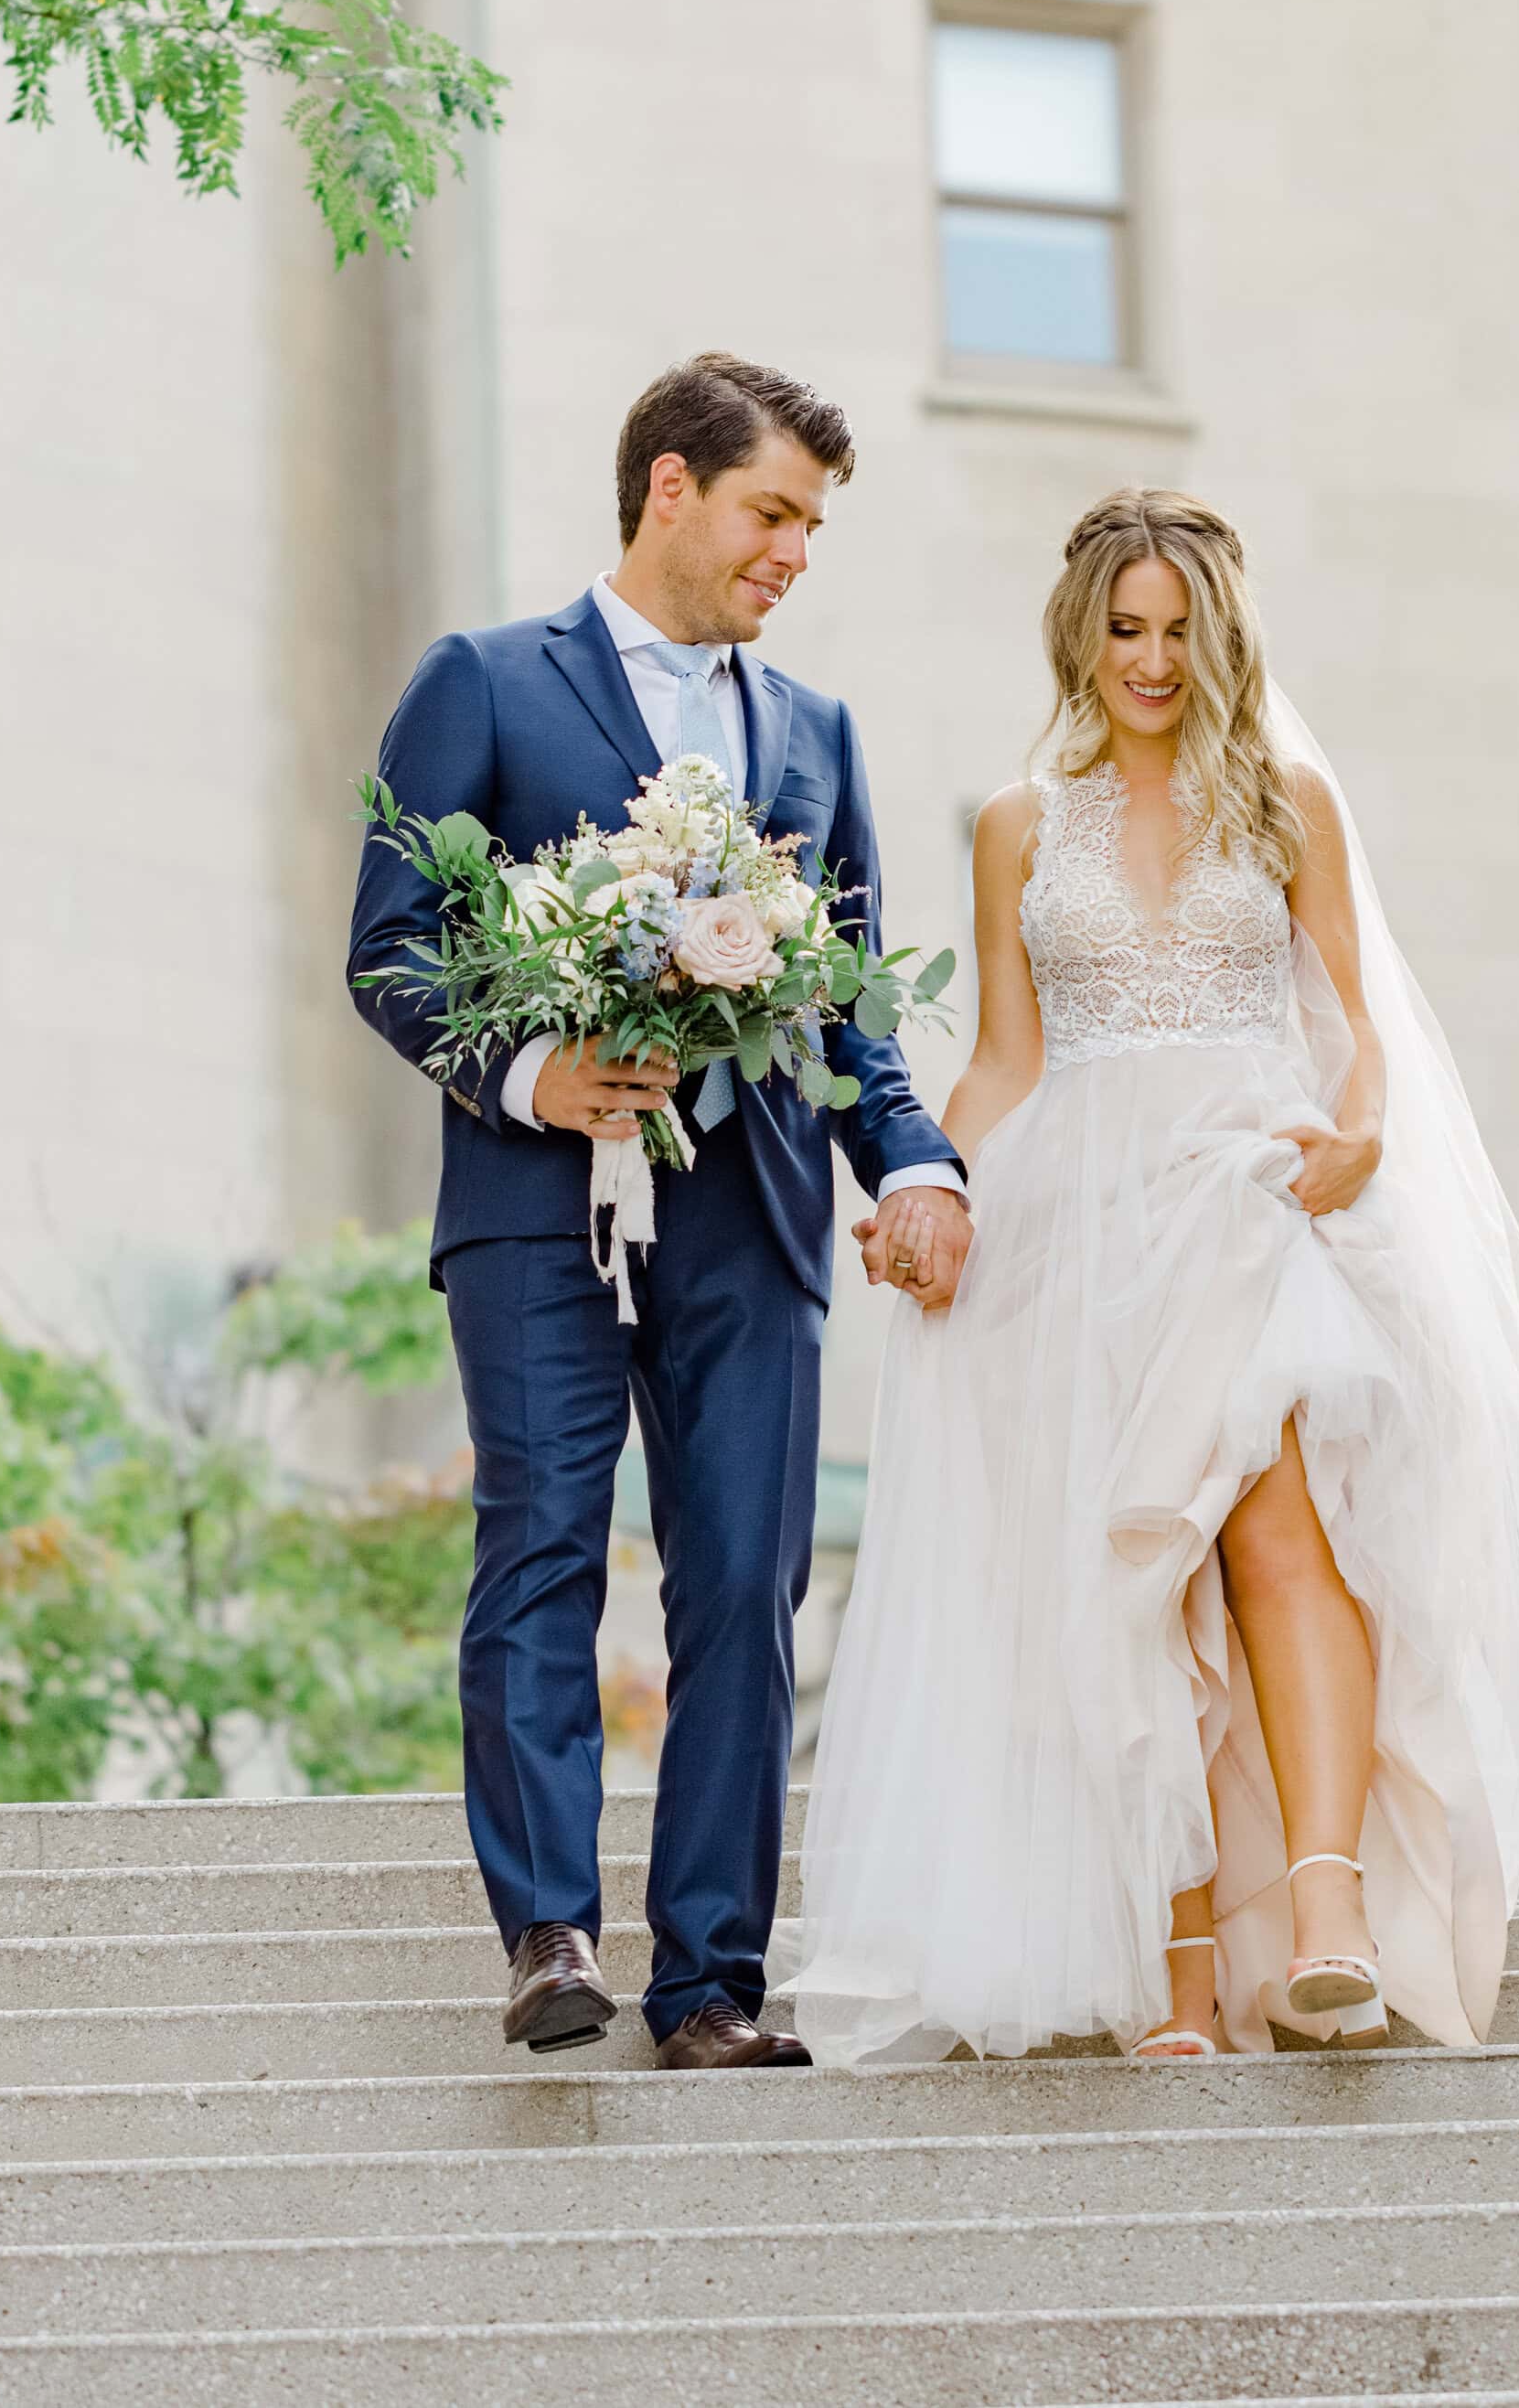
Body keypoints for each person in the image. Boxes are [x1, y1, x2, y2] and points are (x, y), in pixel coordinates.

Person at [787, 489, 1519, 2063]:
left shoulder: (1286, 797)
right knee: (1128, 1583)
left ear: (1222, 630)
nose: (1151, 657)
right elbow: (1008, 1055)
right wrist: (929, 1186)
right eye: (1125, 628)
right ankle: (1177, 1980)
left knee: (1279, 1530)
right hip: (1076, 1224)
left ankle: (1332, 1922)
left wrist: (1355, 1139)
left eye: (1178, 627)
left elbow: (1361, 1030)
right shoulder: (1020, 821)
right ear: (1083, 631)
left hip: (1250, 1190)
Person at [346, 352, 973, 2072]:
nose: (794, 552)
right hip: (541, 1205)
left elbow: (853, 1005)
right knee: (544, 1543)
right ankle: (549, 1932)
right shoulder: (480, 681)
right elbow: (391, 948)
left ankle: (713, 1983)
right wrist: (535, 1066)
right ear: (671, 489)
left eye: (814, 528)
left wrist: (916, 1161)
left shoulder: (819, 734)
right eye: (774, 511)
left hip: (755, 1220)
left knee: (745, 1594)